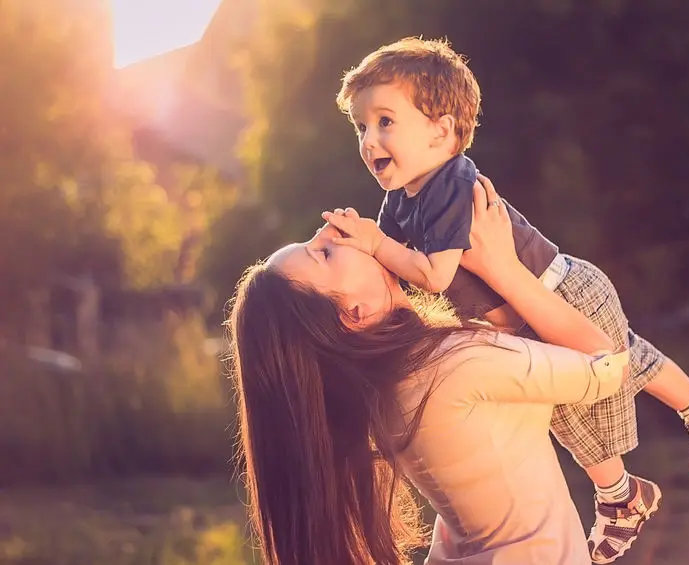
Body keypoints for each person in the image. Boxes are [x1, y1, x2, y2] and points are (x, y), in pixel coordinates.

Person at [330, 37, 689, 563]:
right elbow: (396, 272)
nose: (369, 140)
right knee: (621, 362)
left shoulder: (452, 184)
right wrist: (354, 250)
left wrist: (373, 242)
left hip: (557, 291)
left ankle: (623, 496)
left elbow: (434, 276)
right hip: (531, 308)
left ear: (441, 130)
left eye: (385, 121)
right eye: (361, 127)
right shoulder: (399, 203)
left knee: (580, 402)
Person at [228, 178, 630, 565]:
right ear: (353, 314)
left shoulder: (390, 388)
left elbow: (507, 355)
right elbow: (605, 366)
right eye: (325, 254)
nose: (332, 231)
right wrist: (504, 268)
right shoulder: (454, 363)